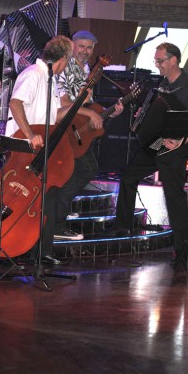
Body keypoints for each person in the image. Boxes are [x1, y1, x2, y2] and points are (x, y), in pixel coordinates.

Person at [112, 42, 188, 268]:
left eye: (160, 61)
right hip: (157, 144)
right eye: (156, 61)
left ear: (174, 60)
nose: (157, 65)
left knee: (174, 197)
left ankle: (182, 250)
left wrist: (181, 140)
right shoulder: (164, 84)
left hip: (175, 148)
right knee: (128, 176)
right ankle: (122, 226)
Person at [5, 35, 76, 265]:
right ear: (63, 59)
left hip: (40, 148)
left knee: (47, 199)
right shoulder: (33, 74)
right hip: (24, 146)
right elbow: (15, 103)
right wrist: (29, 134)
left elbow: (55, 115)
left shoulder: (50, 80)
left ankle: (41, 251)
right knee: (21, 199)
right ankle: (12, 246)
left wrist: (77, 106)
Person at [54, 30, 123, 240]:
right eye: (81, 46)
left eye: (89, 47)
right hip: (63, 126)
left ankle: (59, 212)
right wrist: (90, 112)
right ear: (72, 45)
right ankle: (56, 221)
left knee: (77, 170)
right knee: (86, 169)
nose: (85, 51)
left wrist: (108, 112)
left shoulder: (85, 69)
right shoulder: (65, 67)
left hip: (78, 127)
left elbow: (83, 102)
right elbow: (64, 103)